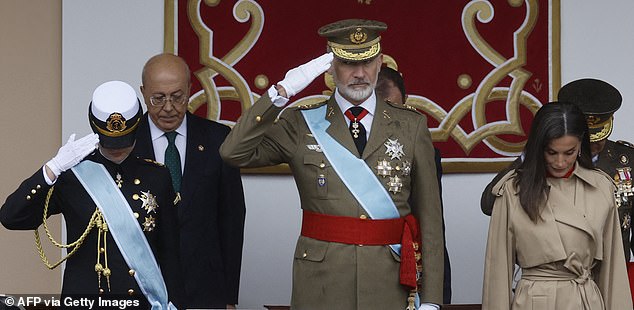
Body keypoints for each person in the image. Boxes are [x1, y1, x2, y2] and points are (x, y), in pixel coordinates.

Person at [220, 19, 444, 310]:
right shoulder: (300, 123)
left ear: (380, 62)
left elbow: (430, 220)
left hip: (388, 286)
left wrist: (432, 300)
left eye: (367, 62)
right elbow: (233, 152)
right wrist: (281, 92)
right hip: (321, 285)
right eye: (349, 63)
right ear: (330, 67)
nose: (360, 74)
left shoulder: (411, 126)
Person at [0, 81, 182, 309]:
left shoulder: (157, 176)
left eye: (123, 140)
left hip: (142, 302)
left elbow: (171, 254)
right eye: (110, 140)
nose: (117, 148)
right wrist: (52, 168)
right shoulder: (72, 175)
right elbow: (11, 217)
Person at [482, 101, 632, 309]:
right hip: (535, 301)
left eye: (569, 152)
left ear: (581, 145)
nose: (560, 162)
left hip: (585, 300)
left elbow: (613, 273)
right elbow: (498, 274)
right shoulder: (512, 190)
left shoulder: (601, 188)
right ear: (538, 147)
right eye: (551, 153)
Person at [132, 53, 246, 309]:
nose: (169, 107)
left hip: (206, 288)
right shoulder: (125, 146)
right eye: (158, 98)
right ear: (143, 92)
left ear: (190, 91)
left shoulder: (218, 139)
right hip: (141, 289)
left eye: (178, 96)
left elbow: (232, 221)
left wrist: (229, 297)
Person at [480, 79, 634, 263]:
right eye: (586, 138)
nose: (594, 144)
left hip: (614, 278)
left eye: (600, 136)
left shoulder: (626, 160)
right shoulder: (548, 160)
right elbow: (488, 204)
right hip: (559, 280)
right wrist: (528, 159)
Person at [376, 66, 452, 304]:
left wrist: (435, 292)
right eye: (386, 110)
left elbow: (432, 223)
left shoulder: (425, 152)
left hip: (414, 257)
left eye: (399, 108)